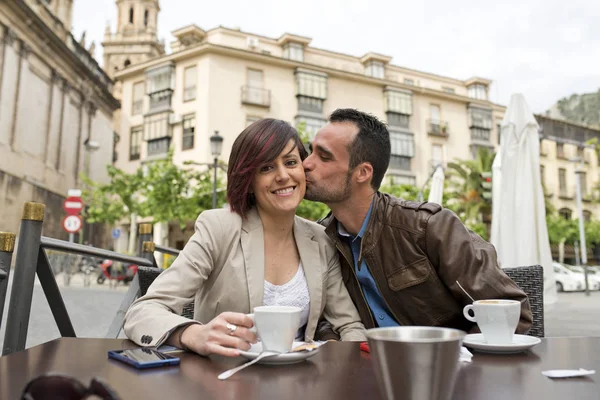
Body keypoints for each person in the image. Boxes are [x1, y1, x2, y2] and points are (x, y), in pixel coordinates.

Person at [123, 119, 366, 357]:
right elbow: (143, 311)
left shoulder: (321, 240)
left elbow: (350, 326)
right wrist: (194, 334)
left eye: (291, 162)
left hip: (299, 381)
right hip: (223, 379)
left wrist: (346, 370)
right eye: (266, 168)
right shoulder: (219, 228)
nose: (283, 176)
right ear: (249, 182)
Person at [302, 108, 532, 333]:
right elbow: (325, 319)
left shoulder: (429, 227)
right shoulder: (321, 239)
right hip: (370, 366)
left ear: (362, 173)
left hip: (448, 366)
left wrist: (455, 359)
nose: (305, 164)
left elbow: (511, 313)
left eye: (323, 157)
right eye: (310, 151)